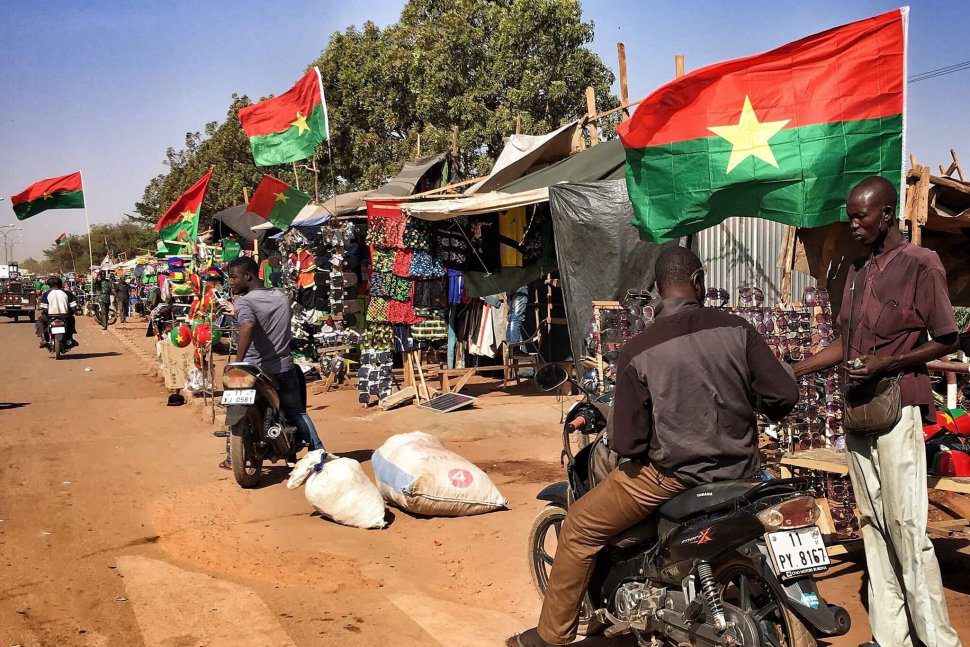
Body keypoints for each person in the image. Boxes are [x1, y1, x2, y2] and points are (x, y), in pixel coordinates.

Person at [508, 247, 799, 647]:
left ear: (659, 290)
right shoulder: (738, 328)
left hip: (673, 478)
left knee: (578, 527)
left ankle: (551, 636)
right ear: (699, 282)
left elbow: (628, 441)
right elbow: (784, 395)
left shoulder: (639, 348)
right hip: (742, 471)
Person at [794, 176, 962, 647]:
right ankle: (891, 638)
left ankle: (938, 640)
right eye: (850, 216)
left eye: (860, 216)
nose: (852, 224)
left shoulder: (921, 264)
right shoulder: (857, 269)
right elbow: (846, 341)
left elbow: (946, 336)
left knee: (907, 527)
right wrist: (799, 368)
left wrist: (886, 363)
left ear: (886, 215)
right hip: (858, 411)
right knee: (872, 522)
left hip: (898, 406)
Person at [221, 256, 325, 470]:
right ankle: (318, 451)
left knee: (233, 403)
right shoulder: (281, 296)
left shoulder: (245, 302)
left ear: (248, 276)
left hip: (253, 370)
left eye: (234, 277)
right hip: (282, 367)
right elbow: (268, 322)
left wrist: (238, 363)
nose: (231, 282)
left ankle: (232, 457)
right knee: (297, 412)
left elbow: (249, 325)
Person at [38, 276, 78, 348]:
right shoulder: (68, 293)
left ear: (49, 285)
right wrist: (71, 312)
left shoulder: (46, 294)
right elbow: (73, 307)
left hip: (50, 316)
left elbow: (45, 309)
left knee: (40, 320)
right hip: (65, 316)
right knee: (72, 319)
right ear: (60, 284)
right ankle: (70, 338)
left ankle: (43, 339)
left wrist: (44, 312)